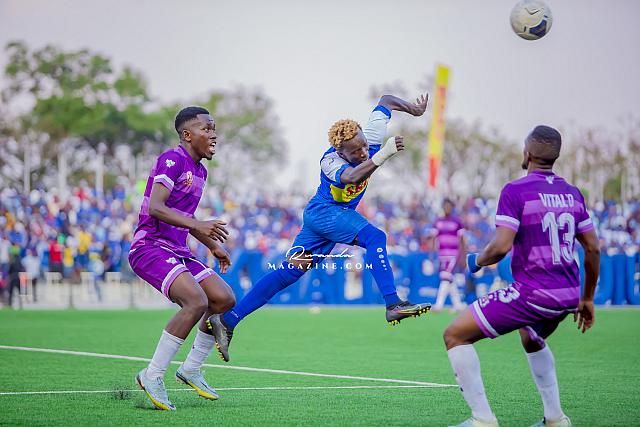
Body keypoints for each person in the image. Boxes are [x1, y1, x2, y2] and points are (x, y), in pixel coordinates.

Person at [207, 93, 432, 363]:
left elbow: (385, 101)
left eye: (364, 147)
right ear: (341, 153)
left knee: (289, 272)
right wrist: (383, 154)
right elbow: (351, 177)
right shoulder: (330, 160)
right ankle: (393, 303)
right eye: (355, 152)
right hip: (325, 213)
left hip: (329, 216)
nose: (363, 153)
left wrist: (413, 110)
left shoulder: (369, 138)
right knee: (375, 237)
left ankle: (228, 320)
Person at [443, 125, 600, 427]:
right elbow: (593, 248)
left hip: (534, 293)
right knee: (531, 337)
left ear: (527, 154)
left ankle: (482, 420)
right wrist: (588, 298)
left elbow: (501, 247)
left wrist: (476, 260)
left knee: (455, 335)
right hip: (568, 295)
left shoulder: (515, 191)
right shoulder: (573, 194)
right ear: (555, 156)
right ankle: (555, 419)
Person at [129, 106, 236, 411]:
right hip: (149, 247)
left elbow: (184, 217)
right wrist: (200, 227)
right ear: (188, 135)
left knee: (223, 299)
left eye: (214, 128)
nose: (213, 134)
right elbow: (156, 208)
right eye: (206, 128)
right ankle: (152, 375)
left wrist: (212, 245)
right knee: (196, 301)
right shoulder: (172, 159)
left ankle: (190, 369)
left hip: (178, 249)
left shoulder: (200, 171)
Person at [432, 198, 466, 312]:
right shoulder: (438, 221)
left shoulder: (457, 222)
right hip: (442, 254)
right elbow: (434, 238)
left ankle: (439, 305)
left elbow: (462, 239)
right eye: (445, 206)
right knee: (449, 279)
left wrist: (463, 255)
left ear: (452, 208)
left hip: (453, 254)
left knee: (445, 277)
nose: (447, 208)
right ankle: (458, 304)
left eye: (449, 206)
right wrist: (431, 253)